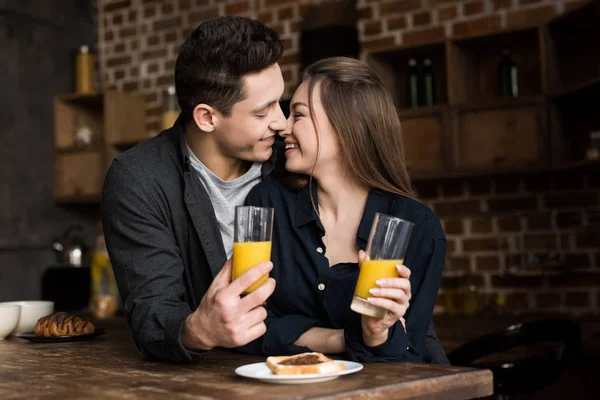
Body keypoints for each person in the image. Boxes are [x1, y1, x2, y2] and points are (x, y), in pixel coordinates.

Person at [101, 16, 288, 362]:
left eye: (281, 102)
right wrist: (198, 330)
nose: (283, 122)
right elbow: (152, 312)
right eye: (263, 113)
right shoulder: (138, 180)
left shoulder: (292, 157)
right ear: (207, 117)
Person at [239, 57, 447, 362]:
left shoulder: (416, 224)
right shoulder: (267, 204)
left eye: (298, 114)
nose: (283, 126)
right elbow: (245, 327)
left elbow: (408, 353)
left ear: (345, 126)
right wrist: (345, 338)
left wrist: (377, 332)